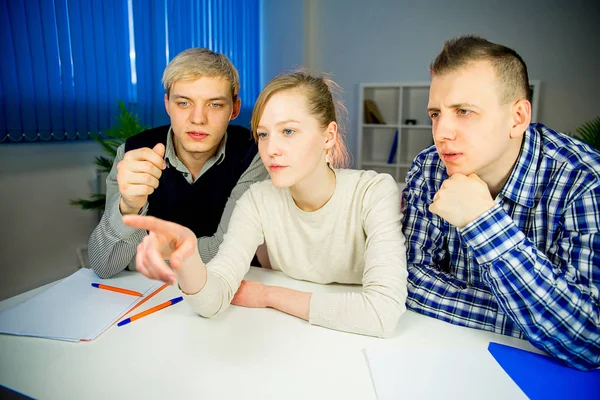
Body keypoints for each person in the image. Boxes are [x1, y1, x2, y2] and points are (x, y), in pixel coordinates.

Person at [122, 71, 408, 338]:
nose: (271, 149)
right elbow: (212, 300)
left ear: (328, 136)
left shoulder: (374, 192)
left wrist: (269, 296)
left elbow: (382, 313)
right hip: (293, 339)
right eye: (263, 134)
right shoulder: (258, 199)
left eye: (288, 132)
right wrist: (186, 256)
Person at [402, 35, 600, 370]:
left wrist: (482, 220)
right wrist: (532, 321)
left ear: (518, 117)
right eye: (436, 113)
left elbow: (589, 339)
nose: (441, 133)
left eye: (464, 111)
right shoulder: (429, 168)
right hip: (443, 357)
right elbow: (406, 278)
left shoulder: (585, 181)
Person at [88, 48, 269, 279]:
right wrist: (130, 206)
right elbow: (104, 265)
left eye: (214, 104)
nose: (198, 119)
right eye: (184, 103)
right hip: (151, 293)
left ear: (233, 109)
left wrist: (141, 257)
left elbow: (223, 251)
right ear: (167, 104)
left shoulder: (253, 153)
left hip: (232, 290)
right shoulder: (134, 153)